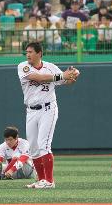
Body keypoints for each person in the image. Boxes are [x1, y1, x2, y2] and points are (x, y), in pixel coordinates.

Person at [17, 42, 79, 188]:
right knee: (33, 147)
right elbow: (40, 78)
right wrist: (62, 75)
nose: (28, 55)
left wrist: (73, 74)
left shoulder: (50, 66)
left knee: (44, 144)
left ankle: (49, 181)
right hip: (31, 110)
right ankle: (41, 180)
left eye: (31, 52)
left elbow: (66, 81)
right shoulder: (23, 66)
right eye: (26, 52)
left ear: (39, 53)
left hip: (48, 109)